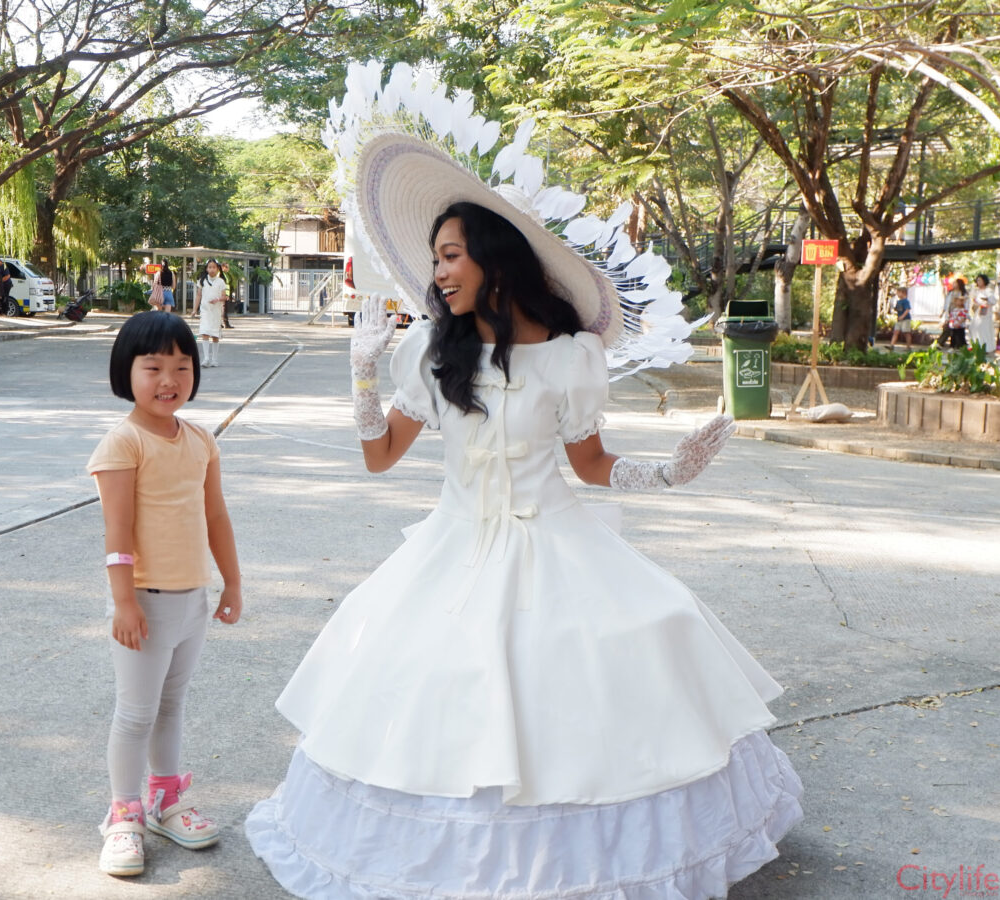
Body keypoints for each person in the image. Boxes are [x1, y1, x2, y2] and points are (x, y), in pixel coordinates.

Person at [245, 66, 801, 900]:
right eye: (435, 259)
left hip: (558, 545)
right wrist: (361, 376)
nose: (438, 273)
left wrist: (670, 473)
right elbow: (379, 456)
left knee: (622, 660)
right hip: (453, 549)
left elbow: (591, 465)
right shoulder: (433, 352)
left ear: (495, 262)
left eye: (451, 256)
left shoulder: (571, 358)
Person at [86, 311, 243, 878]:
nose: (169, 379)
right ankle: (123, 814)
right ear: (126, 372)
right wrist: (124, 602)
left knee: (171, 706)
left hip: (192, 599)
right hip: (144, 603)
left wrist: (232, 580)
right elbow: (118, 532)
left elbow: (216, 515)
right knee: (135, 714)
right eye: (153, 367)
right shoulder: (123, 443)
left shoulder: (200, 439)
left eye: (182, 366)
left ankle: (165, 798)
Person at [193, 260, 227, 367]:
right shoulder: (202, 281)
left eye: (214, 267)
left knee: (215, 335)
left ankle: (214, 359)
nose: (211, 269)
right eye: (209, 267)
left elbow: (224, 297)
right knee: (205, 332)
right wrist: (194, 309)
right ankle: (206, 358)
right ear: (206, 268)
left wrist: (217, 299)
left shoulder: (221, 282)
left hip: (216, 312)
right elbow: (198, 295)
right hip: (205, 311)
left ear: (217, 269)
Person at [970, 274, 995, 354]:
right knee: (974, 328)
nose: (978, 282)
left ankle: (986, 348)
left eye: (980, 280)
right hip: (978, 312)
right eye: (977, 280)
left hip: (985, 313)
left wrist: (985, 300)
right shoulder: (977, 291)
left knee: (984, 330)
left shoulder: (988, 291)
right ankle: (976, 346)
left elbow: (993, 301)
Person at [944, 278, 969, 350]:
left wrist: (964, 315)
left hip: (960, 314)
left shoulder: (963, 293)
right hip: (952, 312)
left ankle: (961, 345)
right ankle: (953, 344)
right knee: (952, 331)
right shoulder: (950, 293)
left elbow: (967, 305)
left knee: (960, 332)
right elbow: (946, 303)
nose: (953, 284)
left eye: (955, 283)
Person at [888, 284, 913, 352]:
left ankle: (908, 346)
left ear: (903, 293)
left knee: (906, 332)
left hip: (905, 319)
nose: (897, 294)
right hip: (899, 319)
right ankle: (891, 345)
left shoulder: (905, 301)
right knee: (896, 332)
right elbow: (898, 309)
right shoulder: (898, 301)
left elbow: (907, 309)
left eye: (898, 292)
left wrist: (902, 316)